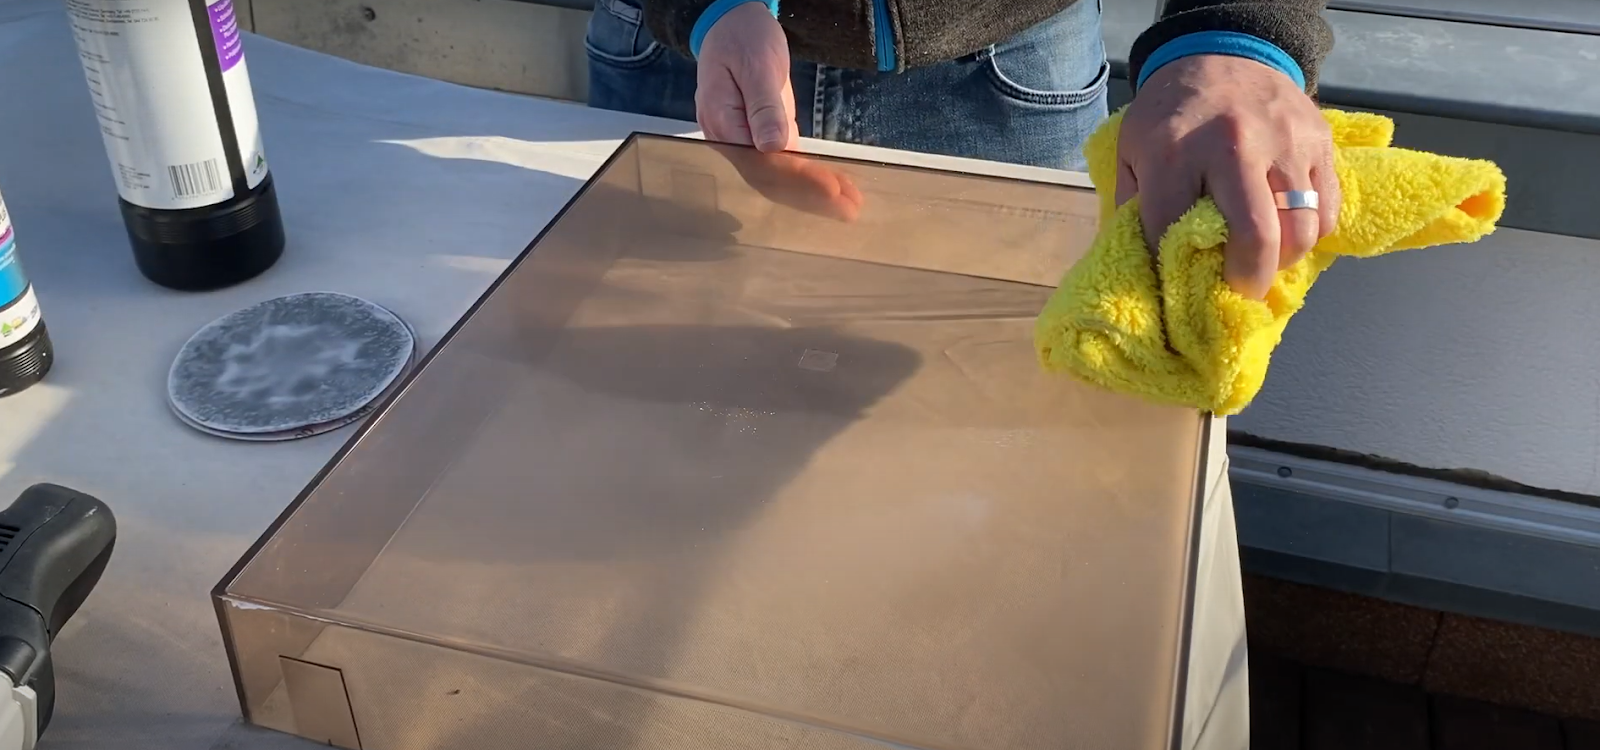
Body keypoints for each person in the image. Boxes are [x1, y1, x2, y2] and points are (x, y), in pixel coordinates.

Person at [586, 0, 1338, 299]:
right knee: (650, 413)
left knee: (1008, 428)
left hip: (1007, 64)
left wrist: (1239, 38)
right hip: (675, 46)